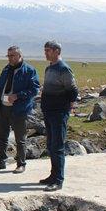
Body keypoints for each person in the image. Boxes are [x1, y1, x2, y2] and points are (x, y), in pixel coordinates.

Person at [40, 40, 79, 192]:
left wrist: (70, 105)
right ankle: (53, 175)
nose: (45, 53)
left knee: (57, 146)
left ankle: (58, 180)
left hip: (59, 111)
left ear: (57, 52)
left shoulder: (64, 69)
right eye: (45, 50)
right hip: (49, 110)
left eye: (48, 50)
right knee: (51, 145)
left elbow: (72, 89)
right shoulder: (49, 68)